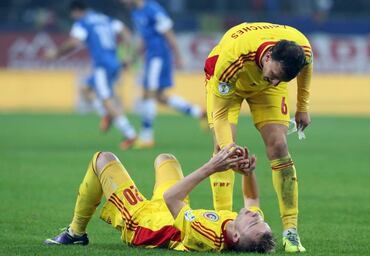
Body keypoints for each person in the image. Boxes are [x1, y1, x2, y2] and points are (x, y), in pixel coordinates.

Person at [204, 22, 313, 252]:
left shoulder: (301, 49)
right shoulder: (233, 58)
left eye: (281, 80)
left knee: (279, 146)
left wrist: (302, 106)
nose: (274, 82)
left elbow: (306, 70)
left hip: (263, 89)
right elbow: (221, 114)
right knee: (222, 151)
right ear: (268, 56)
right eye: (274, 75)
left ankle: (290, 231)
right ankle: (224, 220)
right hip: (228, 83)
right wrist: (229, 148)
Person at [44, 145, 275, 253]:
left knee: (102, 159)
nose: (255, 215)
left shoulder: (207, 234)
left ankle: (75, 233)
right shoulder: (238, 226)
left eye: (254, 222)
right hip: (168, 210)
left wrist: (211, 167)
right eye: (260, 219)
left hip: (143, 222)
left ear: (235, 237)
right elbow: (251, 198)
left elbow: (171, 197)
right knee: (166, 158)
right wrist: (249, 173)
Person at [45, 1, 138, 150]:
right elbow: (126, 33)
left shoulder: (83, 22)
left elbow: (74, 42)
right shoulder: (104, 18)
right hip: (114, 63)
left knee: (107, 100)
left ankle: (130, 134)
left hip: (102, 66)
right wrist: (127, 54)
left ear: (76, 11)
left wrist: (56, 53)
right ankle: (106, 115)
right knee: (86, 88)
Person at [121, 0, 206, 149]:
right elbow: (144, 39)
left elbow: (168, 33)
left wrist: (178, 56)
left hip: (159, 57)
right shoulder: (136, 12)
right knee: (159, 96)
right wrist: (132, 58)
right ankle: (199, 113)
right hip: (151, 57)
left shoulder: (152, 8)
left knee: (149, 94)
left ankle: (146, 137)